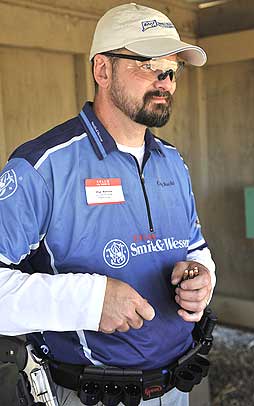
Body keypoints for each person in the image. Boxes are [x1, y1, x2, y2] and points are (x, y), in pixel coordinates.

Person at [0, 3, 216, 406]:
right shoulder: (43, 166)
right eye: (147, 64)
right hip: (89, 395)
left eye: (171, 69)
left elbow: (195, 248)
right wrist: (89, 300)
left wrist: (203, 277)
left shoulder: (173, 161)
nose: (164, 80)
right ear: (103, 70)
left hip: (177, 388)